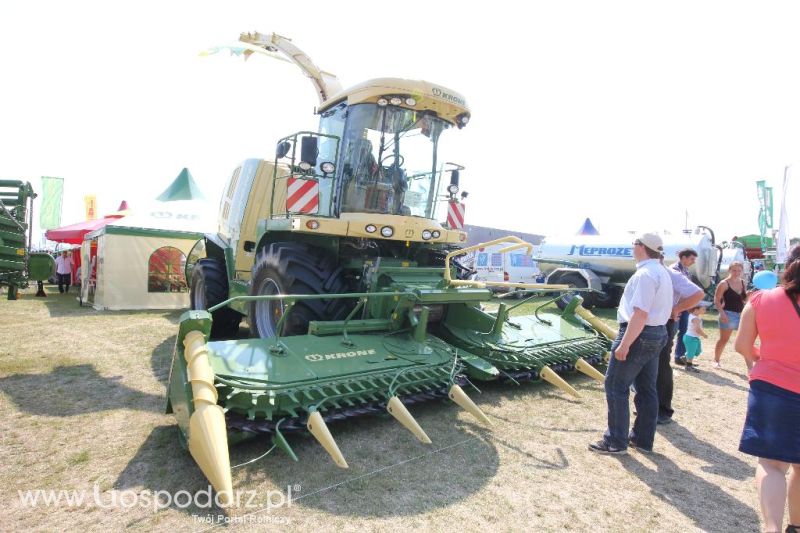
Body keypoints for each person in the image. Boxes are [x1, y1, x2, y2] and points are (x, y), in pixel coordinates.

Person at [734, 244, 800, 533]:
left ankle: (772, 528)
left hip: (772, 388)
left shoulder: (762, 299)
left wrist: (764, 358)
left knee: (772, 465)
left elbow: (742, 346)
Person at [589, 232, 672, 455]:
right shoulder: (661, 271)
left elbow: (640, 313)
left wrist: (624, 344)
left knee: (616, 385)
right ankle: (643, 440)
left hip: (638, 334)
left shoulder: (645, 274)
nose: (632, 246)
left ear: (642, 247)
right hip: (657, 333)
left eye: (634, 243)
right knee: (647, 388)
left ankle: (615, 441)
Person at [656, 266, 704, 425]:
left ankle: (663, 409)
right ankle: (649, 405)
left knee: (661, 365)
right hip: (652, 322)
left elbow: (698, 293)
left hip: (665, 323)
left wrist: (676, 308)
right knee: (650, 366)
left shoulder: (671, 274)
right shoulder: (648, 271)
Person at [713, 260, 746, 369]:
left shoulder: (742, 282)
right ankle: (716, 360)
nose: (736, 272)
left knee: (745, 340)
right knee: (724, 340)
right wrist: (722, 314)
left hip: (741, 314)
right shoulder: (724, 283)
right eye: (734, 270)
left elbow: (743, 299)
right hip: (728, 314)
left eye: (739, 270)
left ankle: (749, 365)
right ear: (729, 270)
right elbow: (716, 300)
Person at [671, 248, 699, 365]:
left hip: (685, 306)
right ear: (684, 257)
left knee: (684, 331)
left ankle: (680, 356)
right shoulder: (673, 270)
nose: (693, 261)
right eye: (692, 259)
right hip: (675, 306)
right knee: (671, 331)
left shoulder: (687, 271)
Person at [682, 304, 708, 372]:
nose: (705, 310)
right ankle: (688, 366)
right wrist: (704, 335)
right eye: (703, 309)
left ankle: (686, 358)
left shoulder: (694, 316)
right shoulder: (695, 318)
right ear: (696, 310)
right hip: (691, 338)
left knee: (697, 351)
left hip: (694, 338)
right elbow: (697, 329)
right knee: (691, 353)